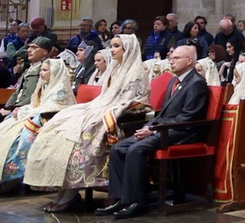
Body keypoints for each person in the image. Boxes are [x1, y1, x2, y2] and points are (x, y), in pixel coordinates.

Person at [25, 34, 151, 211]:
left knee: (85, 134)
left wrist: (105, 111)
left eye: (116, 46)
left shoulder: (135, 72)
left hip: (120, 114)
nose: (112, 49)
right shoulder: (114, 69)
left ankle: (72, 189)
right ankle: (62, 188)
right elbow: (105, 96)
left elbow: (134, 101)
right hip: (102, 107)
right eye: (112, 46)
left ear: (127, 49)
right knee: (61, 123)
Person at [98, 44, 212, 218]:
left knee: (136, 149)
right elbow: (163, 112)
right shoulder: (175, 81)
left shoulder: (196, 83)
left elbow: (188, 118)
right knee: (118, 148)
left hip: (182, 133)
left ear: (189, 61)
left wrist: (153, 130)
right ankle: (121, 198)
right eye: (171, 58)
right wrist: (148, 126)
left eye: (176, 58)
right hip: (164, 129)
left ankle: (138, 202)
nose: (171, 61)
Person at [0, 45, 74, 192]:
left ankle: (12, 179)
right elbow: (36, 103)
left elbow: (51, 108)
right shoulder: (44, 87)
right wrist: (22, 109)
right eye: (41, 70)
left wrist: (25, 112)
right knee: (0, 134)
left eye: (45, 70)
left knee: (18, 139)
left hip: (48, 121)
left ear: (55, 71)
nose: (41, 73)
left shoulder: (60, 89)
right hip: (34, 117)